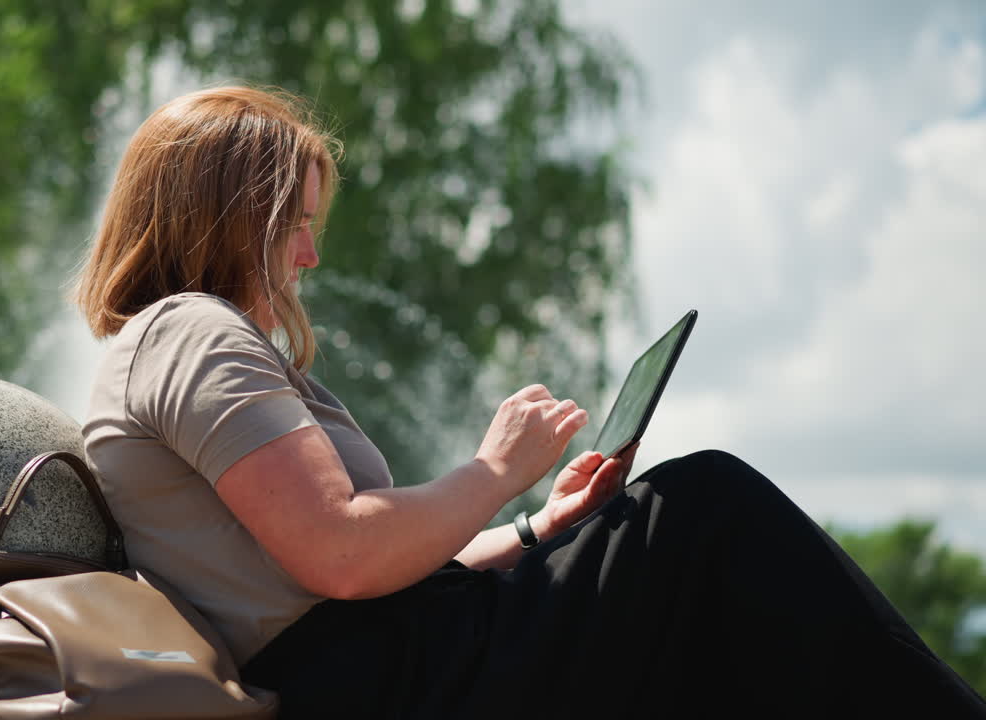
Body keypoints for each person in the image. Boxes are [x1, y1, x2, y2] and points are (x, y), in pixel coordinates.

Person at [76, 85, 985, 718]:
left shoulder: (173, 340)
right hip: (390, 685)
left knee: (684, 573)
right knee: (705, 508)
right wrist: (493, 467)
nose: (308, 256)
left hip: (395, 663)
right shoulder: (186, 330)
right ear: (228, 218)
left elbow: (367, 571)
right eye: (295, 226)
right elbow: (345, 556)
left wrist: (538, 525)